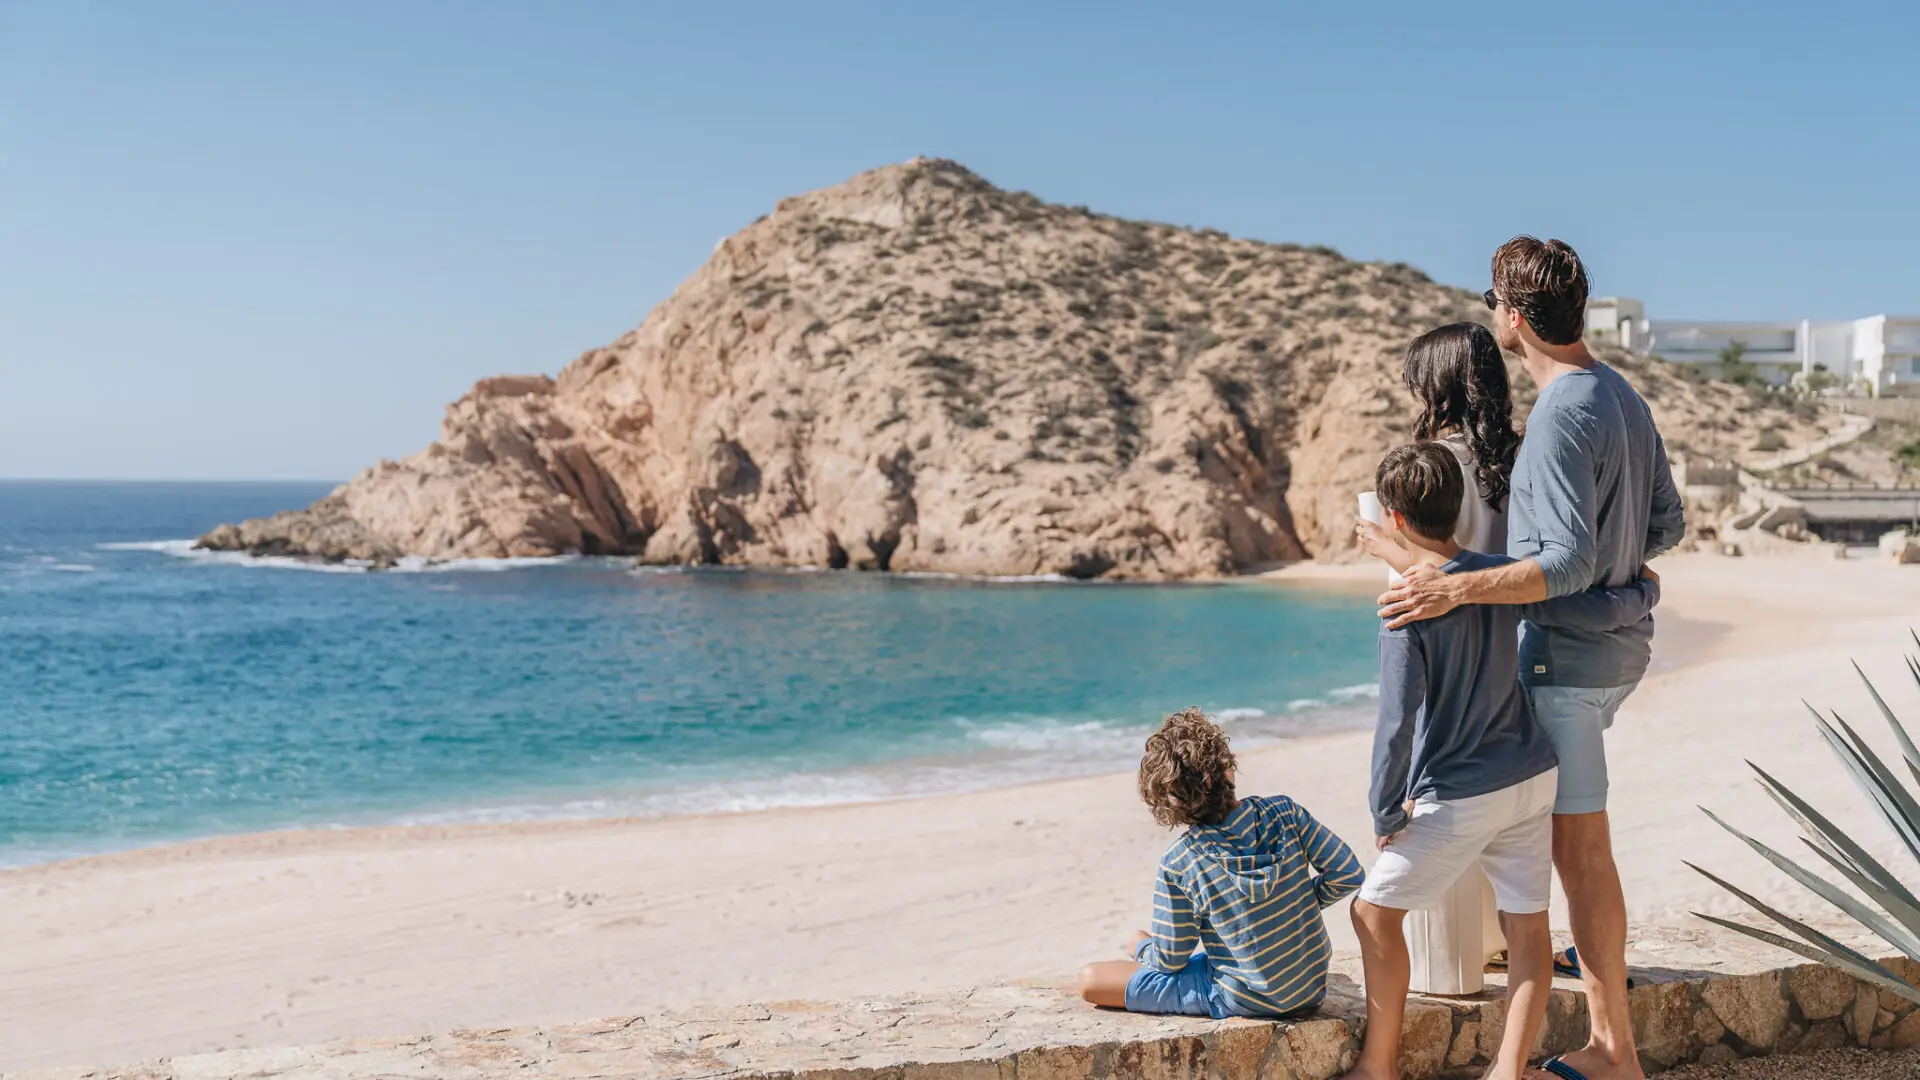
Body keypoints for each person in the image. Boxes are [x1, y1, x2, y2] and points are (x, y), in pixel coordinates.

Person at [1375, 238, 1686, 1080]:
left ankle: (1614, 1049)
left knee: (1582, 859)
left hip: (1564, 666)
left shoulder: (1556, 415)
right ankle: (1596, 1041)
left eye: (1491, 302)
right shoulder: (1623, 395)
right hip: (1617, 653)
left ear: (1513, 317)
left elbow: (1563, 565)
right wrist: (1632, 591)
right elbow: (1664, 527)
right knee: (1572, 850)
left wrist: (1451, 588)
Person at [1342, 442, 1661, 1080]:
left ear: (1397, 518)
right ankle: (1507, 1070)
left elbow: (1396, 724)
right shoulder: (1497, 574)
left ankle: (1378, 1066)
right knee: (1527, 930)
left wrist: (1383, 808)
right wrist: (1641, 592)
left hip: (1463, 794)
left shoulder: (1404, 612)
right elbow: (1568, 603)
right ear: (1459, 509)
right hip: (1533, 776)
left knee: (1372, 914)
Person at [1078, 708, 1363, 1019]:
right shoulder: (1285, 813)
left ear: (1170, 802)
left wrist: (1142, 948)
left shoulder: (1182, 861)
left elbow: (1171, 960)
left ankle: (1138, 946)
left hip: (1242, 996)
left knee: (1091, 979)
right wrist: (1295, 903)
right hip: (1308, 988)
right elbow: (1348, 874)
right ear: (1227, 769)